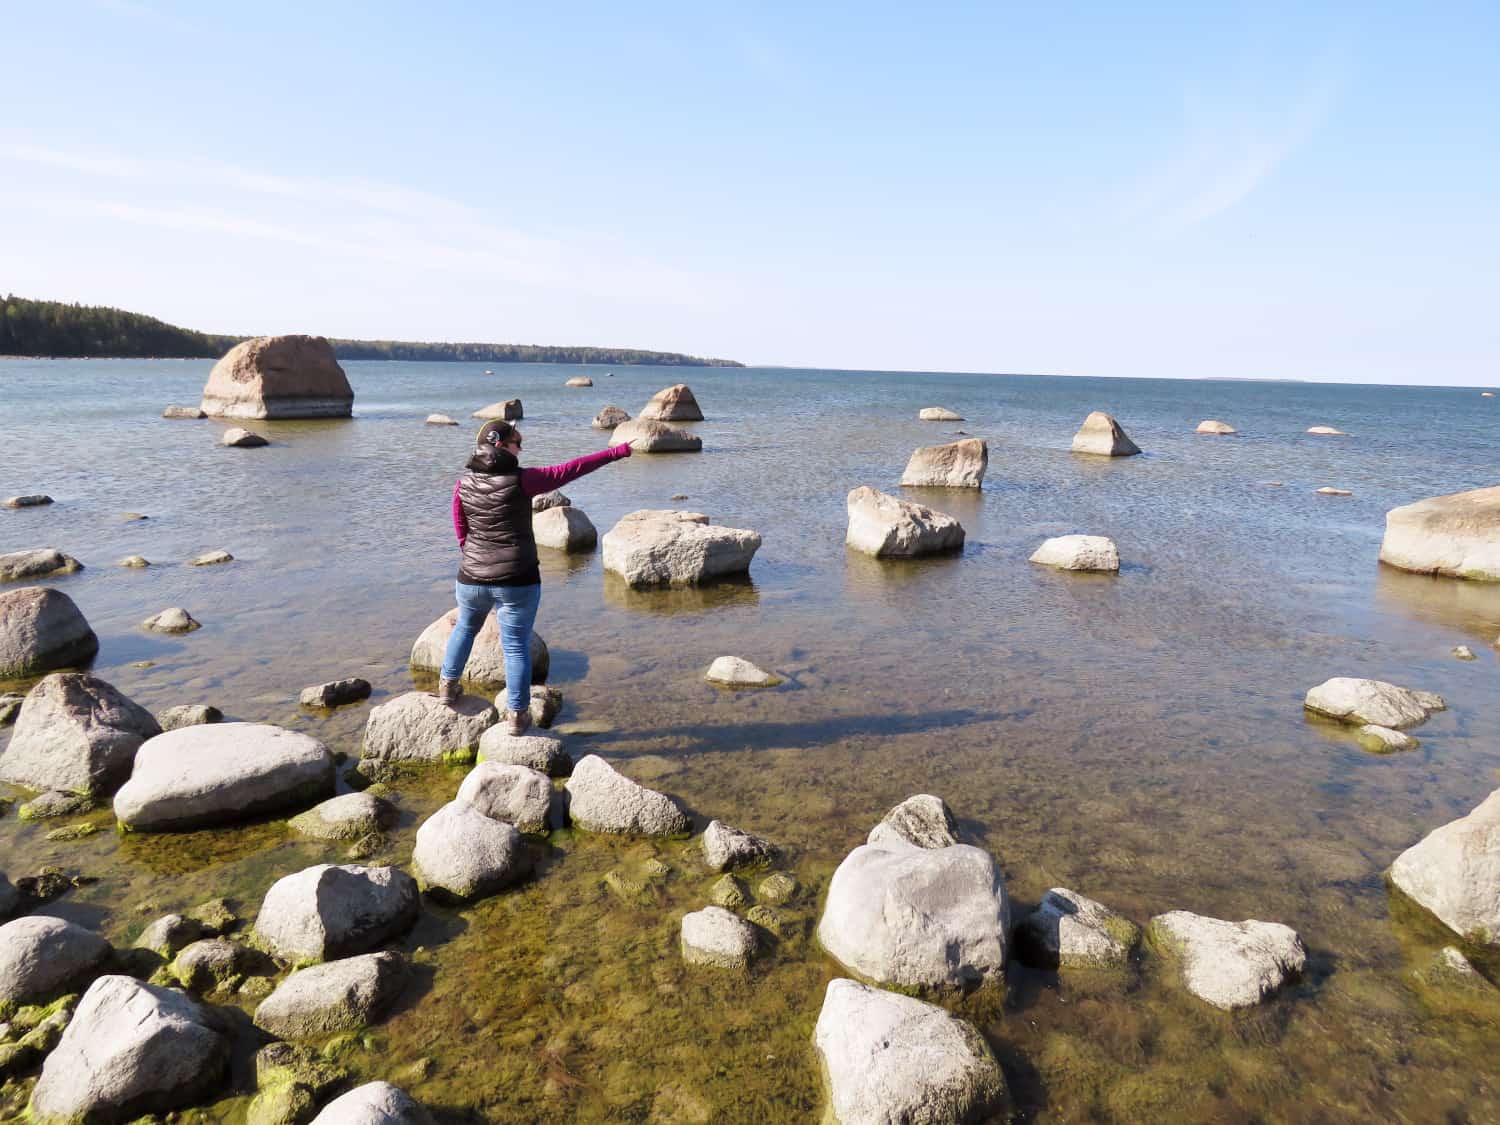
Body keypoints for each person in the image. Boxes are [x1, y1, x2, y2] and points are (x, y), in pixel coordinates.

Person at [439, 418, 632, 733]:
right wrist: (616, 452)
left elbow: (460, 525)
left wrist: (471, 554)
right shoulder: (522, 480)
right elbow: (570, 470)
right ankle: (517, 716)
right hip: (517, 578)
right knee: (515, 645)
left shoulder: (465, 481)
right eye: (517, 441)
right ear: (500, 445)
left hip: (472, 577)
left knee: (465, 628)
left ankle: (447, 688)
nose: (521, 447)